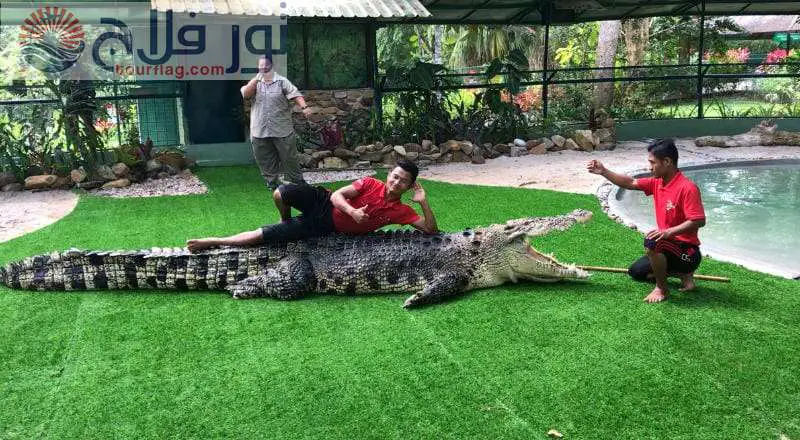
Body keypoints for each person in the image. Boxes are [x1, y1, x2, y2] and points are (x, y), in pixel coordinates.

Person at [187, 160, 439, 252]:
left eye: (403, 181)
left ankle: (213, 240)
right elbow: (337, 195)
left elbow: (430, 231)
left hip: (324, 225)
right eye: (394, 176)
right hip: (322, 201)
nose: (396, 182)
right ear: (389, 175)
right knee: (280, 193)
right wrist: (352, 211)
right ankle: (285, 218)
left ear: (409, 186)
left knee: (265, 236)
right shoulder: (370, 182)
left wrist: (424, 202)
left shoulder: (402, 211)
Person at [587, 138, 707, 303]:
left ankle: (662, 289)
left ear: (667, 162)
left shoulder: (687, 188)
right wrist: (604, 171)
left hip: (688, 253)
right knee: (635, 272)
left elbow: (699, 220)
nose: (649, 167)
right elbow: (631, 182)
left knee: (652, 241)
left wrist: (668, 232)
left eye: (652, 162)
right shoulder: (658, 182)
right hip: (668, 247)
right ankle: (683, 275)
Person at [241, 56, 312, 190]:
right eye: (260, 67)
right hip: (260, 129)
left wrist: (304, 107)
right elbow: (245, 94)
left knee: (289, 156)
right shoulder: (254, 83)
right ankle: (272, 182)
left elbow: (295, 94)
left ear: (272, 67)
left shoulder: (282, 81)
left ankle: (297, 181)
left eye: (265, 67)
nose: (263, 70)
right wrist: (256, 79)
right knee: (264, 158)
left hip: (281, 128)